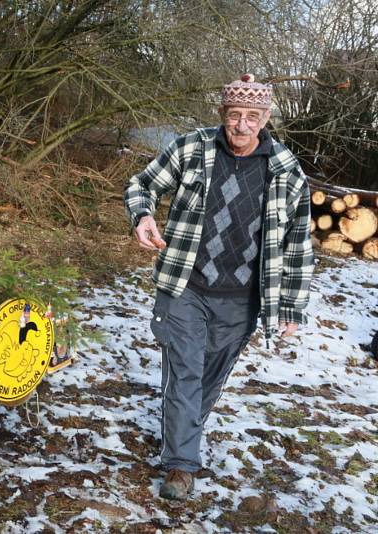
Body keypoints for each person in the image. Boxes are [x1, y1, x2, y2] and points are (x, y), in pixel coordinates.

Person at [123, 74, 314, 499]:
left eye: (252, 116)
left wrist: (291, 306)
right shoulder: (193, 148)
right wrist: (143, 215)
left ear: (265, 118)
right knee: (185, 373)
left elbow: (298, 241)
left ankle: (180, 437)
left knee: (209, 378)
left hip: (242, 298)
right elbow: (143, 184)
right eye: (234, 116)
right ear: (222, 116)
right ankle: (181, 467)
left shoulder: (285, 169)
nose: (242, 125)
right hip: (186, 285)